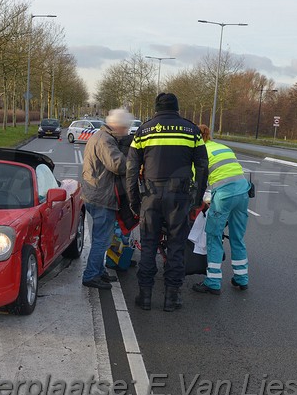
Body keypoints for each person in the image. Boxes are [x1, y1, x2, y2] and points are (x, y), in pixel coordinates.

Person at [126, 93, 208, 311]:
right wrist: (196, 200)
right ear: (177, 108)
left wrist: (134, 200)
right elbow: (202, 168)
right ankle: (172, 298)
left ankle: (144, 297)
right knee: (176, 247)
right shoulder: (192, 131)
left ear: (156, 108)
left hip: (151, 198)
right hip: (179, 198)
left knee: (149, 246)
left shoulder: (144, 130)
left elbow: (131, 169)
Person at [192, 124, 250, 295]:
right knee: (237, 236)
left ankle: (213, 282)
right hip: (243, 191)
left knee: (214, 236)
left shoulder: (200, 152)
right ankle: (242, 278)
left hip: (224, 194)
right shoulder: (222, 147)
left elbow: (197, 184)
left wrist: (200, 201)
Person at [81, 108, 134, 290]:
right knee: (101, 239)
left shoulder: (101, 137)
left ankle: (99, 270)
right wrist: (135, 163)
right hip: (101, 196)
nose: (127, 132)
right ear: (118, 126)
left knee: (104, 236)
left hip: (95, 193)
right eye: (126, 128)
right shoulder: (105, 140)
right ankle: (91, 275)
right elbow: (117, 165)